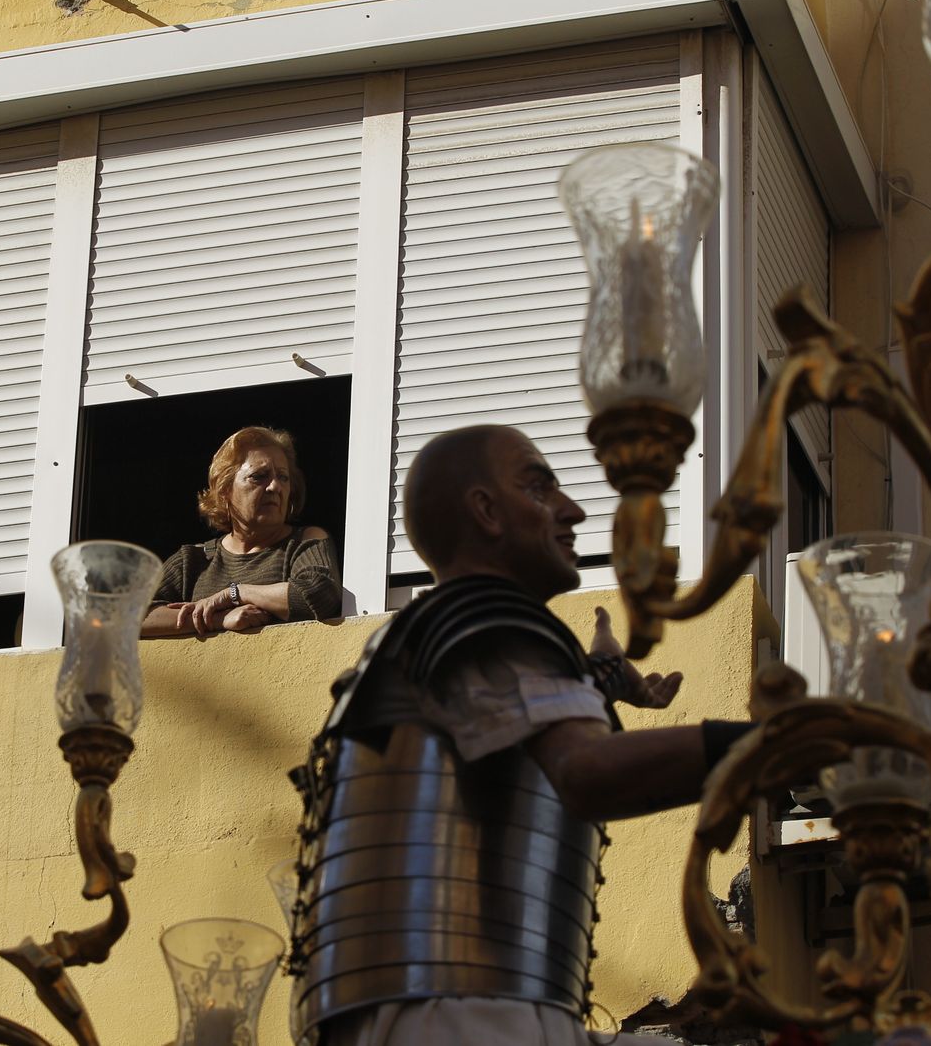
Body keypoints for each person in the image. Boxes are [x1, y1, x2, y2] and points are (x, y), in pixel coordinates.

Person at [287, 424, 753, 1046]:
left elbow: (514, 710)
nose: (574, 509)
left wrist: (606, 677)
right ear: (485, 510)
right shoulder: (484, 616)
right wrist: (780, 744)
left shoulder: (430, 634)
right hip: (462, 1010)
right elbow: (587, 773)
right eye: (539, 487)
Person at [142, 426, 342, 638]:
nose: (275, 486)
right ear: (224, 490)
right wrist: (220, 619)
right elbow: (129, 617)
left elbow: (319, 595)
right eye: (259, 476)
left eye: (283, 477)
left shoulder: (305, 539)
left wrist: (235, 593)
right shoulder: (193, 560)